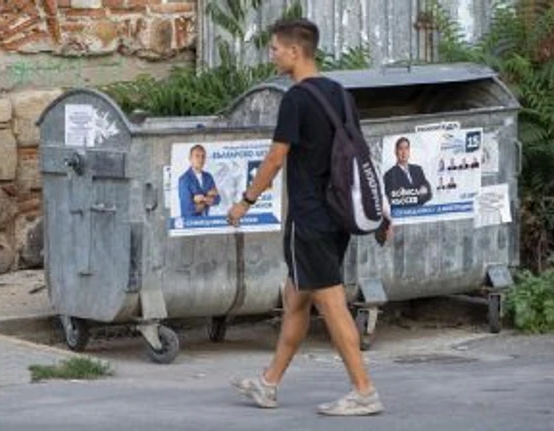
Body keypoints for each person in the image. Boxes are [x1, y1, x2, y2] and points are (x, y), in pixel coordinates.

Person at [226, 17, 389, 417]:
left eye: (275, 49)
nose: (272, 55)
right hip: (337, 216)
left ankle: (364, 391)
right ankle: (268, 384)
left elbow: (275, 158)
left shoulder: (296, 100)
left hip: (309, 218)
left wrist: (245, 201)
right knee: (296, 299)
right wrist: (382, 209)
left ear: (295, 52)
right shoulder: (340, 94)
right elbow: (360, 155)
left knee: (331, 303)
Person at [383, 137, 432, 207]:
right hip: (403, 214)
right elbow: (392, 199)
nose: (404, 152)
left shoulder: (418, 169)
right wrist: (418, 194)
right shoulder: (389, 174)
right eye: (400, 149)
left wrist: (409, 194)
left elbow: (428, 193)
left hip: (420, 212)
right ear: (395, 151)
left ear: (409, 151)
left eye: (406, 148)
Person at [178, 145, 220, 217]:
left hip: (206, 222)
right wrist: (208, 198)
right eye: (197, 156)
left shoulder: (208, 177)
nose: (201, 159)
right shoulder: (184, 180)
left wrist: (200, 199)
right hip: (190, 223)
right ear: (190, 158)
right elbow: (188, 209)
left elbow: (217, 199)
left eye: (203, 156)